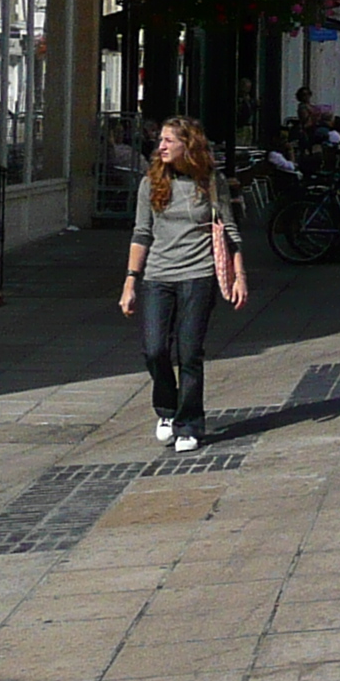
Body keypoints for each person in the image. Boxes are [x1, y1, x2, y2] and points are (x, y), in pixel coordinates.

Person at [120, 117, 245, 454]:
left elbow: (228, 229)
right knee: (155, 349)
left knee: (189, 352)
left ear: (187, 146)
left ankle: (189, 422)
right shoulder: (151, 183)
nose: (160, 146)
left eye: (168, 140)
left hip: (198, 275)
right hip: (158, 276)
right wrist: (130, 281)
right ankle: (166, 409)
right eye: (160, 139)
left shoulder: (210, 181)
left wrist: (239, 276)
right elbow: (141, 233)